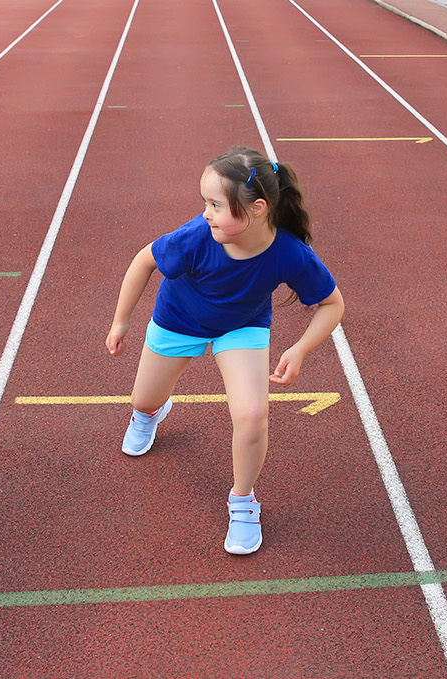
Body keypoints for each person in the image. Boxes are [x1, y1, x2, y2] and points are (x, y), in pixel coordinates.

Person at [105, 146, 344, 555]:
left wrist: (301, 348)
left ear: (257, 208)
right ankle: (149, 413)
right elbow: (144, 261)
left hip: (242, 328)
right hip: (178, 320)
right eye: (205, 203)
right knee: (143, 398)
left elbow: (332, 303)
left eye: (216, 205)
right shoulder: (196, 236)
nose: (206, 213)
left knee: (253, 414)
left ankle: (243, 502)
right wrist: (121, 320)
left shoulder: (289, 252)